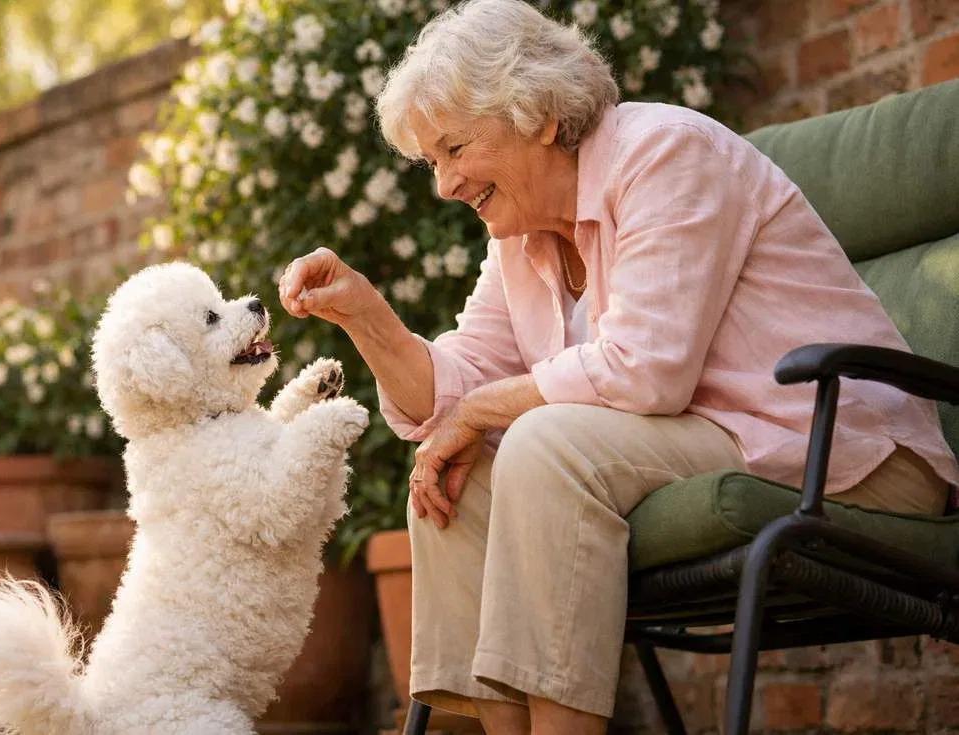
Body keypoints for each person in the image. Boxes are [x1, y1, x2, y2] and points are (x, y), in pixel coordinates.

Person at [277, 1, 959, 733]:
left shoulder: (665, 154)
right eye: (431, 162)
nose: (443, 184)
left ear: (536, 113)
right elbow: (456, 397)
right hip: (721, 439)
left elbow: (645, 370)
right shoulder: (522, 235)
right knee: (456, 474)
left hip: (847, 454)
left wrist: (480, 413)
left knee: (541, 443)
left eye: (453, 149)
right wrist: (365, 318)